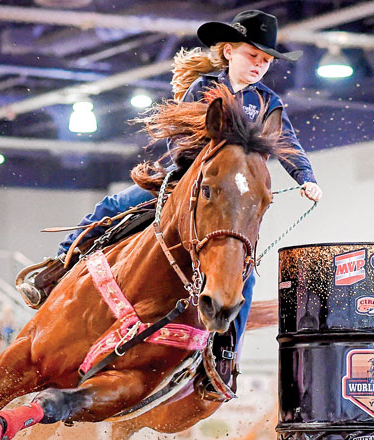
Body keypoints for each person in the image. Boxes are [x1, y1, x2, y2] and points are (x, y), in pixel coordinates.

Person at [17, 10, 323, 387]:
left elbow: (287, 145)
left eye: (265, 60)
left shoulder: (268, 102)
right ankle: (57, 269)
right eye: (252, 56)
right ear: (228, 52)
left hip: (228, 201)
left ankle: (224, 355)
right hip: (182, 181)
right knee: (111, 207)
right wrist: (196, 169)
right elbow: (178, 137)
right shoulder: (204, 89)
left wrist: (305, 178)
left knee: (245, 275)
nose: (259, 65)